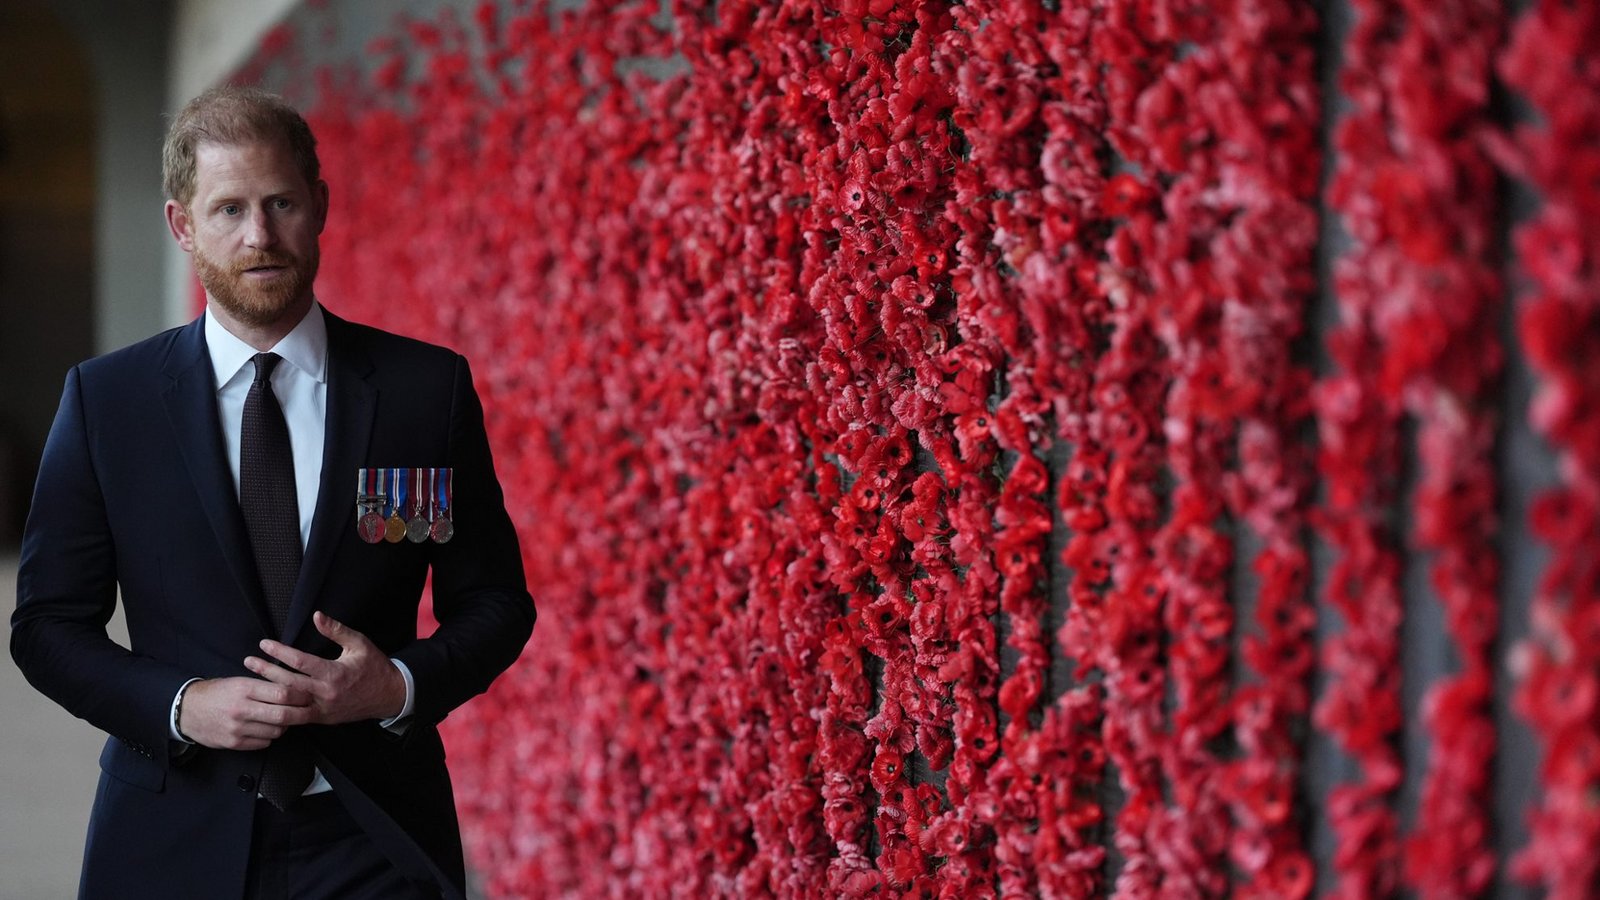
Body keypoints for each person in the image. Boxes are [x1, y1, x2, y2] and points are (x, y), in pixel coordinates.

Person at [9, 85, 535, 899]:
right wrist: (183, 705)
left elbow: (496, 601)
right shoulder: (106, 404)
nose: (259, 236)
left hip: (376, 835)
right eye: (228, 210)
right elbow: (47, 628)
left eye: (280, 202)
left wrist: (394, 685)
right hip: (169, 833)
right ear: (183, 225)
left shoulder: (425, 393)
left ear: (319, 206)